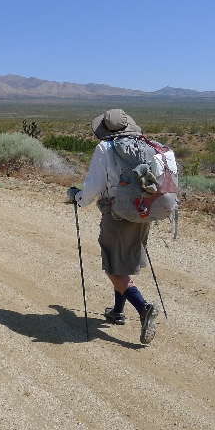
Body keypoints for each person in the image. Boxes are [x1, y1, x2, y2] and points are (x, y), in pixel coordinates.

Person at [67, 109, 161, 345]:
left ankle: (144, 309)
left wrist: (78, 197)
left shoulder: (105, 148)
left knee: (113, 266)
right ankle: (118, 312)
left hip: (116, 214)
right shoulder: (146, 146)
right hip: (143, 211)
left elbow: (93, 187)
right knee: (123, 260)